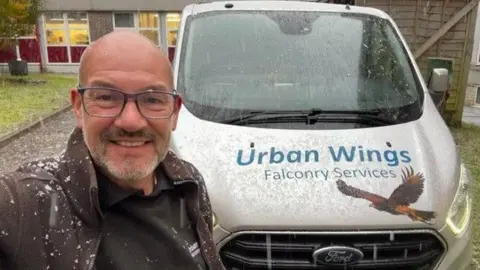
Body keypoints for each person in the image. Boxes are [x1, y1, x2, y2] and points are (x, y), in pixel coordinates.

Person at [0, 30, 225, 270]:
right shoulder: (22, 205)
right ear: (78, 107)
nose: (131, 121)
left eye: (152, 99)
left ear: (174, 112)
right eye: (107, 97)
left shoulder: (188, 184)